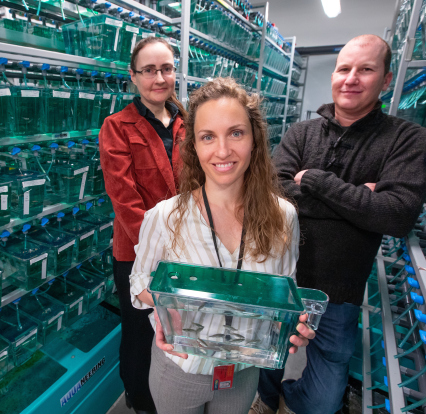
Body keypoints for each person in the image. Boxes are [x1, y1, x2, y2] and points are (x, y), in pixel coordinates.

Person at [250, 35, 426, 414]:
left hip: (340, 289)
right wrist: (359, 201)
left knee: (322, 401)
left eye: (365, 69)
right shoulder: (302, 132)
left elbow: (396, 214)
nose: (351, 78)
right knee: (264, 357)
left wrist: (314, 180)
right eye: (344, 69)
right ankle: (265, 400)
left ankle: (291, 400)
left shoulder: (405, 138)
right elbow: (271, 193)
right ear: (333, 75)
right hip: (280, 274)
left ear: (385, 79)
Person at [128, 77, 315, 414]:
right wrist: (163, 306)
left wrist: (289, 324)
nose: (223, 150)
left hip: (243, 373)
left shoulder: (283, 216)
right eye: (208, 137)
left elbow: (285, 291)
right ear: (194, 147)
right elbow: (139, 283)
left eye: (236, 133)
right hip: (180, 369)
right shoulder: (165, 217)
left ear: (254, 140)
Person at [99, 36, 186, 414]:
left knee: (175, 329)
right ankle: (140, 401)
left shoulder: (188, 123)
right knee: (138, 333)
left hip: (187, 250)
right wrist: (162, 252)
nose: (159, 77)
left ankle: (172, 396)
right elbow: (125, 200)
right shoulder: (117, 127)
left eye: (166, 68)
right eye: (149, 70)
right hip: (136, 254)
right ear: (133, 77)